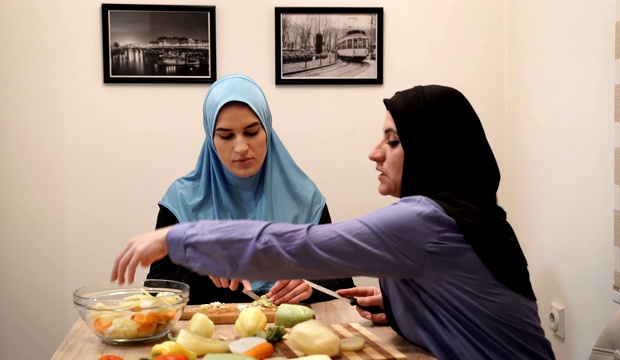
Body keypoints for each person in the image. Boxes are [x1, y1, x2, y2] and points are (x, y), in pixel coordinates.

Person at [112, 84, 555, 359]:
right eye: (225, 136)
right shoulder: (472, 212)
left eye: (394, 141)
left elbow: (292, 247)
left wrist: (178, 236)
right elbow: (467, 303)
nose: (374, 152)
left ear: (432, 152)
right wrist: (402, 304)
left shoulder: (422, 220)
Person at [146, 73, 354, 305]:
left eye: (252, 132)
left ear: (267, 130)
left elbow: (343, 281)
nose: (241, 147)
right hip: (208, 336)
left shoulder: (304, 198)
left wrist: (309, 286)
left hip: (290, 335)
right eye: (226, 136)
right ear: (211, 139)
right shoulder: (181, 201)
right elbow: (156, 289)